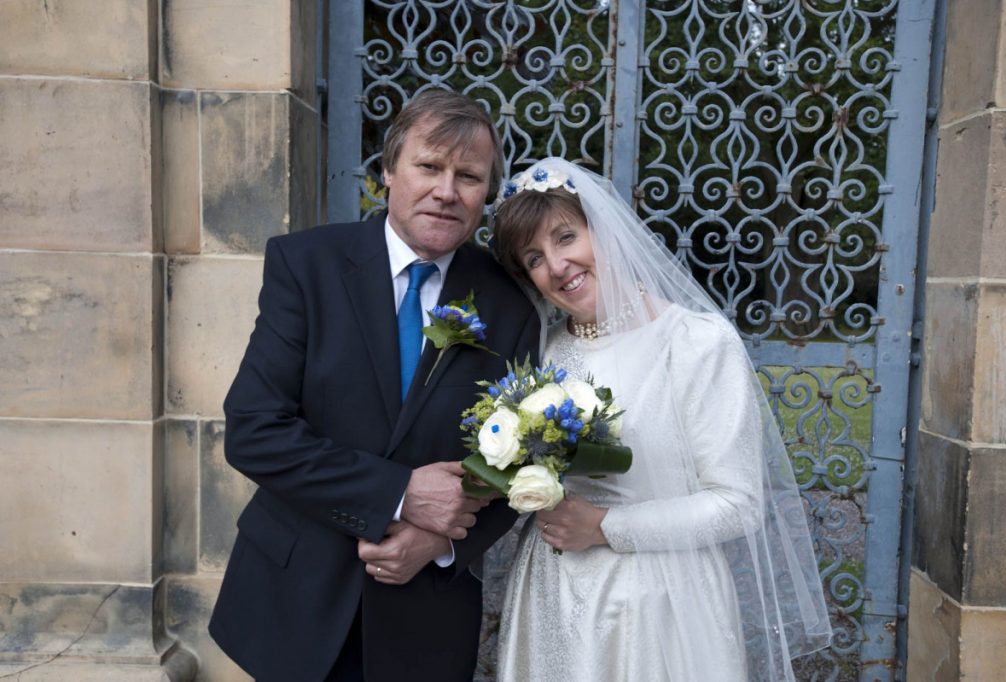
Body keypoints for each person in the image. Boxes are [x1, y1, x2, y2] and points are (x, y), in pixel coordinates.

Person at [208, 90, 539, 681]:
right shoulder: (306, 265)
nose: (446, 190)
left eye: (468, 176)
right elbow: (255, 431)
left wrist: (440, 546)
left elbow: (517, 469)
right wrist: (397, 494)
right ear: (388, 171)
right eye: (429, 166)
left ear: (487, 193)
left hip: (425, 614)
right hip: (295, 597)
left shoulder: (510, 305)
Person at [488, 158, 833, 681]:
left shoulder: (695, 343)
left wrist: (607, 527)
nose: (557, 266)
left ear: (602, 231)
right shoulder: (542, 353)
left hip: (661, 603)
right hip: (554, 597)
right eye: (534, 257)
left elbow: (738, 504)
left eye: (566, 237)